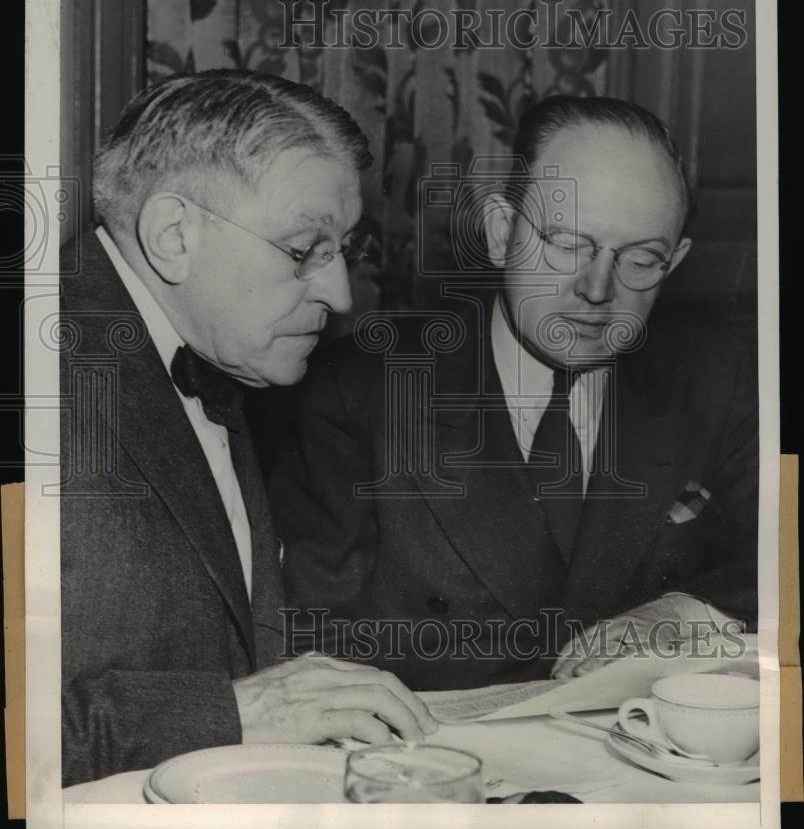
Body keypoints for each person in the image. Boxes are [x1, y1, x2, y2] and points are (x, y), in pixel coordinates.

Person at [270, 95, 758, 691]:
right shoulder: (354, 394)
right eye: (568, 244)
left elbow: (779, 562)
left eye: (641, 259)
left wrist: (686, 612)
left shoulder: (720, 378)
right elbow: (311, 648)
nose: (597, 289)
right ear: (501, 233)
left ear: (675, 261)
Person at [60, 70, 435, 787]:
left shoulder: (215, 351)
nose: (339, 294)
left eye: (343, 251)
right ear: (174, 235)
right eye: (303, 251)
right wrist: (231, 713)